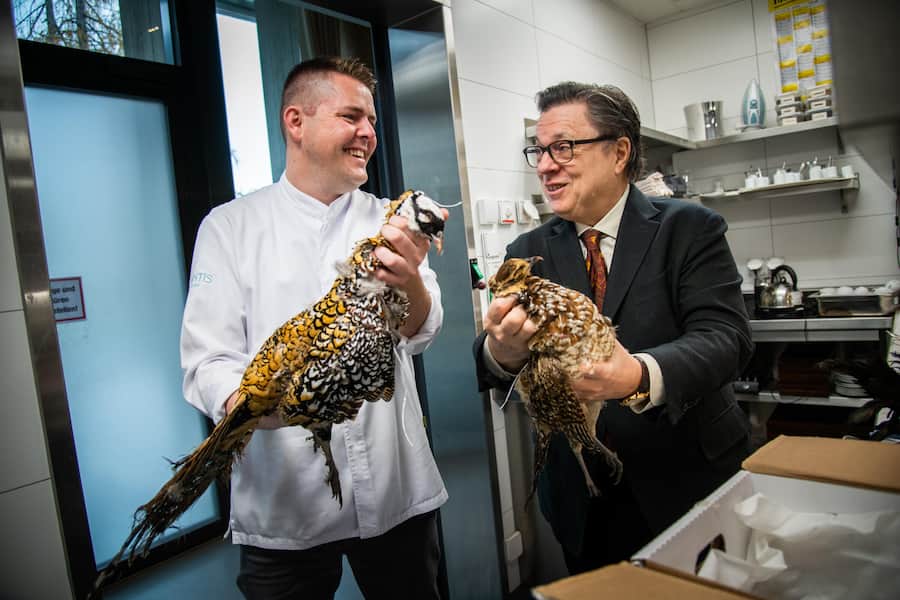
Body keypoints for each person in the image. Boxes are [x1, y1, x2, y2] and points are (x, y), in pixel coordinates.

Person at [181, 56, 448, 599]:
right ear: (295, 122)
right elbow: (208, 359)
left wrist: (413, 284)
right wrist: (250, 407)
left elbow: (423, 331)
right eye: (352, 116)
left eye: (371, 121)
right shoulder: (230, 227)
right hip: (284, 506)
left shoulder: (389, 219)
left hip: (397, 494)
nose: (369, 133)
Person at [473, 82, 754, 575]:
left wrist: (640, 375)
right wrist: (504, 349)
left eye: (563, 147)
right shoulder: (527, 250)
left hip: (687, 480)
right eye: (538, 151)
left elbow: (726, 339)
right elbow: (487, 365)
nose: (544, 165)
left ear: (619, 151)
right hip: (584, 498)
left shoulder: (688, 228)